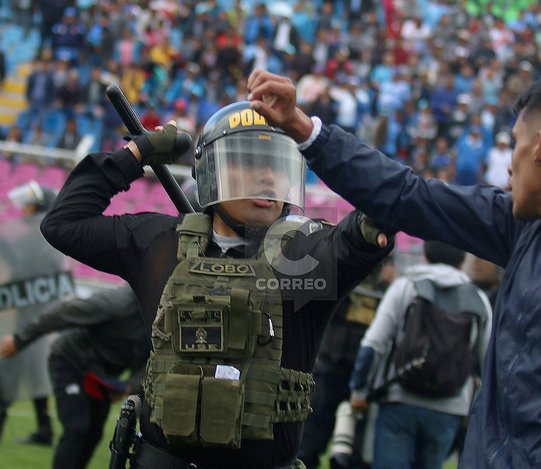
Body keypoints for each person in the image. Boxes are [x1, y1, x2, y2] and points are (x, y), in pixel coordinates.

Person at [246, 69, 541, 467]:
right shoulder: (524, 226)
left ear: (540, 147)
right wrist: (305, 129)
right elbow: (408, 196)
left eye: (515, 144)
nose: (509, 166)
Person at [40, 101, 392, 468]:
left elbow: (362, 232)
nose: (268, 176)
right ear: (212, 171)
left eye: (277, 163)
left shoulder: (309, 256)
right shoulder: (159, 243)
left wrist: (370, 216)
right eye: (250, 160)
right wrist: (137, 152)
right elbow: (63, 223)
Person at [348, 241, 491, 469]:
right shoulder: (479, 300)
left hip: (398, 398)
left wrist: (359, 391)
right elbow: (488, 365)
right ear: (464, 259)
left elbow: (373, 343)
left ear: (424, 253)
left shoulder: (406, 286)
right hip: (449, 408)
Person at [0, 284, 149, 469]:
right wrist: (20, 339)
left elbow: (149, 361)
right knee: (77, 427)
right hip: (70, 361)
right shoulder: (118, 302)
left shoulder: (162, 318)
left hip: (102, 377)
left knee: (94, 434)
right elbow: (64, 312)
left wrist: (128, 386)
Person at [298, 261, 394, 469]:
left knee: (355, 455)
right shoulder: (343, 276)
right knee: (309, 444)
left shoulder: (389, 289)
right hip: (330, 368)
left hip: (365, 377)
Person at [0, 180, 68, 446]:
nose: (24, 210)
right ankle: (45, 430)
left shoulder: (41, 241)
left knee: (9, 375)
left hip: (32, 320)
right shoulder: (41, 239)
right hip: (33, 319)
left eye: (29, 206)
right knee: (33, 372)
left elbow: (23, 274)